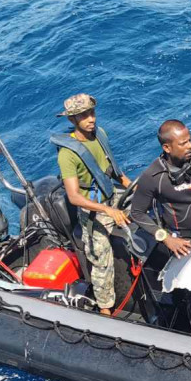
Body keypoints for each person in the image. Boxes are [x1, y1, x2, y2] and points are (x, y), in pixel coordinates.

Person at [50, 93, 132, 316]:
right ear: (72, 120)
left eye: (92, 113)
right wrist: (108, 210)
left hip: (112, 195)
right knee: (101, 257)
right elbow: (74, 197)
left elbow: (113, 171)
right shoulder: (67, 154)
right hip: (92, 209)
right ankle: (105, 308)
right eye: (84, 115)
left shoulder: (100, 134)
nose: (91, 119)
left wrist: (132, 187)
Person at [130, 120, 191, 259]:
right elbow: (137, 213)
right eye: (183, 144)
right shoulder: (152, 177)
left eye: (190, 140)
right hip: (181, 242)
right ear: (167, 148)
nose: (190, 146)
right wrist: (166, 238)